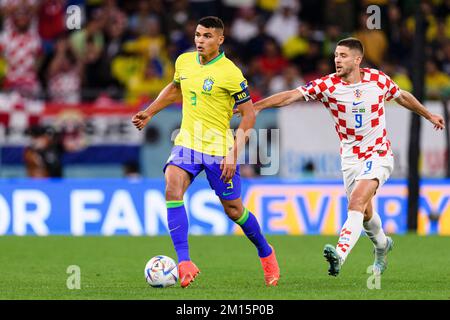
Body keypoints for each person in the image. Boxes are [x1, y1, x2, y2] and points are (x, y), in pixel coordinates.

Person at [242, 37, 445, 277]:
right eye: (336, 55)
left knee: (356, 202)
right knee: (366, 213)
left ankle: (339, 254)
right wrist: (258, 106)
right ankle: (382, 246)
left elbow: (401, 96)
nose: (337, 59)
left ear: (357, 59)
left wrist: (428, 114)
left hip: (379, 153)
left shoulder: (377, 80)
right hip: (350, 159)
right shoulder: (328, 85)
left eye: (343, 55)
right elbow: (290, 96)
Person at [132, 16, 280, 288]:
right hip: (187, 143)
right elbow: (175, 89)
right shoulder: (183, 62)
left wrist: (234, 154)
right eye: (198, 35)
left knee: (234, 211)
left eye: (207, 36)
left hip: (218, 149)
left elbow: (248, 116)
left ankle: (265, 251)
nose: (200, 40)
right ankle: (185, 261)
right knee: (172, 189)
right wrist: (150, 111)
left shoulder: (231, 73)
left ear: (220, 40)